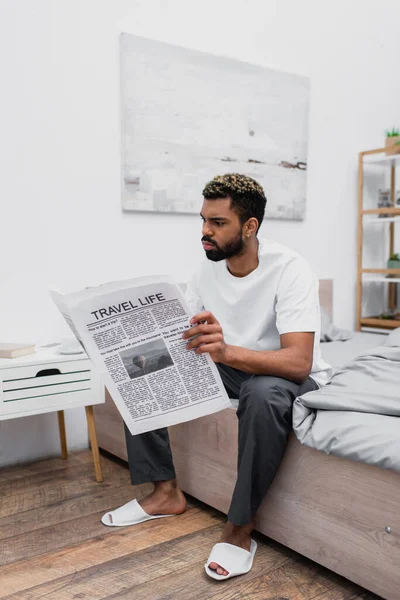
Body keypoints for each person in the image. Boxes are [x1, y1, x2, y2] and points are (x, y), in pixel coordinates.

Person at [101, 173, 332, 581]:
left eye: (218, 223)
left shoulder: (291, 269)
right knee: (137, 368)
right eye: (203, 220)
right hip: (230, 368)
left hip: (283, 376)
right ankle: (165, 492)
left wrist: (226, 351)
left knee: (260, 395)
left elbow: (299, 361)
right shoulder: (206, 273)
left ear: (249, 226)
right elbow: (187, 340)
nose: (205, 232)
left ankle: (239, 529)